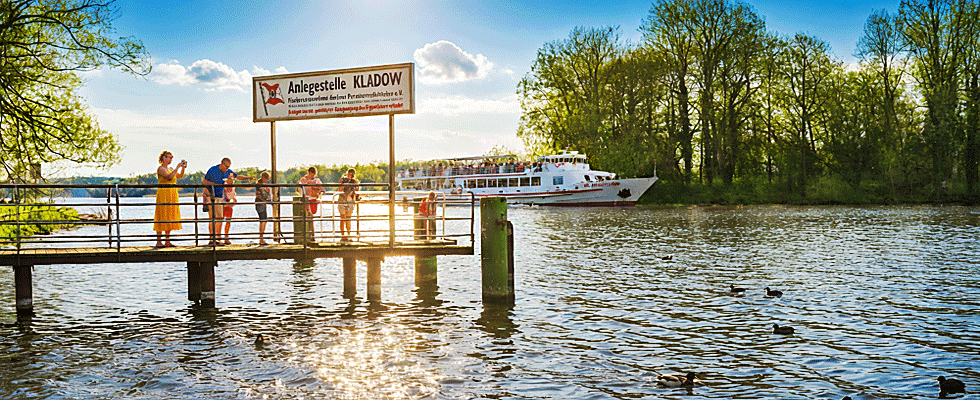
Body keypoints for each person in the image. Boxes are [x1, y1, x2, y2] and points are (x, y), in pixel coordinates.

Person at [202, 157, 252, 246]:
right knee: (214, 218)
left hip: (220, 197)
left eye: (229, 166)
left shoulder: (228, 172)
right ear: (222, 163)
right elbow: (205, 182)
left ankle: (216, 238)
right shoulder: (213, 169)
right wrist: (215, 184)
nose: (227, 168)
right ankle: (213, 239)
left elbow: (238, 177)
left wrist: (248, 178)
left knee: (219, 218)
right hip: (212, 196)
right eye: (226, 166)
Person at [153, 151, 186, 247]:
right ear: (163, 158)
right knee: (161, 215)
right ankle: (159, 241)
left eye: (171, 158)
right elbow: (169, 177)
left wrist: (183, 168)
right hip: (164, 193)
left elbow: (179, 176)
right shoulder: (161, 168)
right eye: (168, 157)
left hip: (172, 193)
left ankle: (167, 240)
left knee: (170, 215)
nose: (170, 159)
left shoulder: (171, 168)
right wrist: (177, 167)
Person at [337, 168, 359, 241]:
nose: (350, 175)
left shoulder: (355, 181)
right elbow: (339, 190)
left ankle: (348, 234)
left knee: (348, 218)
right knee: (342, 217)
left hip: (350, 200)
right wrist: (342, 184)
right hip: (342, 199)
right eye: (349, 173)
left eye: (352, 173)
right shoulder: (343, 179)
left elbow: (356, 191)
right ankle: (343, 235)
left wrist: (354, 187)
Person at [254, 171, 272, 245]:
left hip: (262, 204)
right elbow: (258, 196)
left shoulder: (263, 185)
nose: (267, 180)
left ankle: (261, 238)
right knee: (263, 220)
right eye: (266, 179)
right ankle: (261, 239)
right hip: (260, 204)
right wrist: (265, 201)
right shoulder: (259, 185)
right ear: (263, 178)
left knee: (263, 220)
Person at [221, 174, 237, 245]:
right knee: (220, 221)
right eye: (229, 179)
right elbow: (222, 197)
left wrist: (234, 202)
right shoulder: (223, 187)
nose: (230, 180)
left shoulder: (233, 188)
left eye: (231, 179)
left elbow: (234, 197)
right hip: (222, 206)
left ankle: (226, 237)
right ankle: (219, 237)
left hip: (229, 207)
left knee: (228, 222)